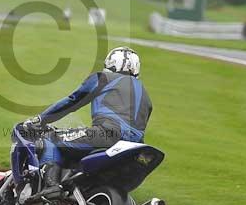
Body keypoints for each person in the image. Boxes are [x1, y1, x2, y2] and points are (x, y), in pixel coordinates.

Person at [23, 46, 152, 197]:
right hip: (137, 149)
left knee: (50, 139)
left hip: (105, 134)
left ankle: (51, 186)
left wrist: (40, 119)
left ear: (110, 64)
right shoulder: (146, 96)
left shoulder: (103, 78)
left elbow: (72, 101)